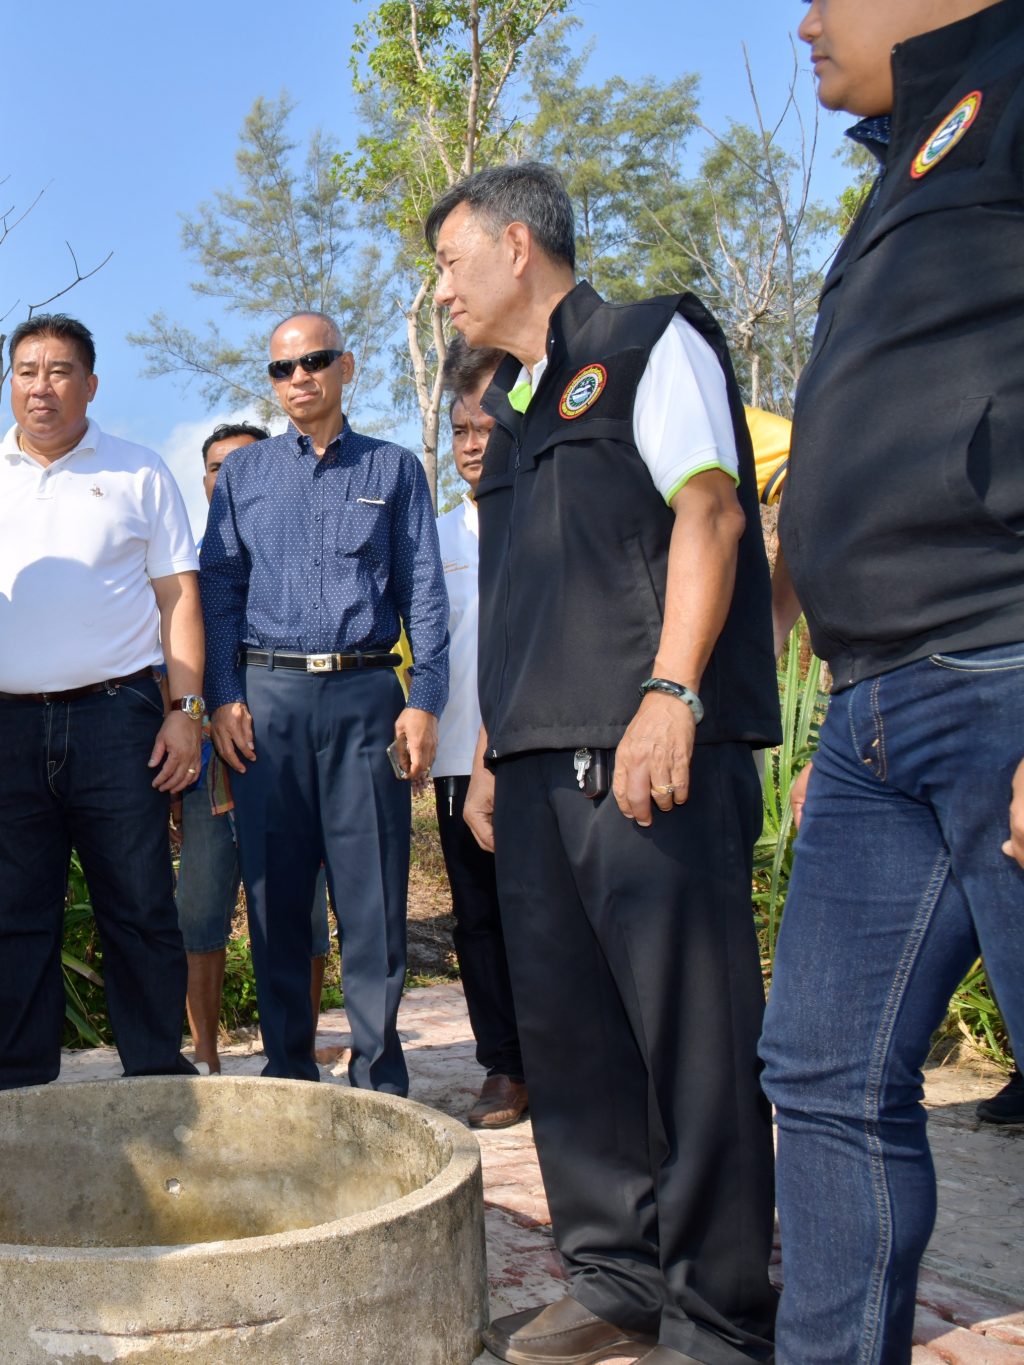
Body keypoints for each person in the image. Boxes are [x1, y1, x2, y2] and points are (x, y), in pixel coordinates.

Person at [430, 162, 779, 1365]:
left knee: (690, 1041)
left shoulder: (645, 343)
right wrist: (485, 755)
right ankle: (614, 1277)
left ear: (516, 246)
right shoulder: (510, 417)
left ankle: (720, 1310)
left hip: (644, 759)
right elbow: (523, 602)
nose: (440, 291)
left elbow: (710, 514)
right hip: (528, 775)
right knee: (571, 1046)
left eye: (447, 261)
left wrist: (672, 693)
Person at [762, 2, 1024, 1360]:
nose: (804, 20)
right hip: (877, 710)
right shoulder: (905, 152)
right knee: (821, 1081)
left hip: (1006, 670)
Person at [0, 313, 202, 1096]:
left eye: (58, 370)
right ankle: (16, 1080)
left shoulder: (141, 473)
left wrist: (187, 706)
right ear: (10, 380)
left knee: (140, 898)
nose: (39, 386)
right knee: (14, 910)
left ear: (91, 383)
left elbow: (179, 596)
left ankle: (155, 1069)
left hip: (118, 719)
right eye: (26, 370)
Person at [198, 311, 449, 1094]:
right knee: (273, 896)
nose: (299, 376)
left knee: (371, 895)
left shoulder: (395, 470)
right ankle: (287, 1074)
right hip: (267, 703)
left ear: (348, 366)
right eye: (282, 368)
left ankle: (380, 1076)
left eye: (315, 361)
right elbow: (220, 592)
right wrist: (224, 697)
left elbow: (427, 596)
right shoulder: (243, 477)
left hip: (366, 696)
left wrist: (426, 698)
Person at [175, 421, 335, 1073]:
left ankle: (295, 1048)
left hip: (292, 761)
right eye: (217, 466)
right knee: (200, 915)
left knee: (304, 914)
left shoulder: (299, 554)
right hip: (206, 770)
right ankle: (208, 1055)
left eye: (245, 463)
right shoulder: (179, 560)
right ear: (204, 477)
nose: (229, 476)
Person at [433, 336, 528, 1130]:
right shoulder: (433, 539)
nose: (471, 445)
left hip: (537, 749)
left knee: (548, 912)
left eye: (485, 429)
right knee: (478, 918)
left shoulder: (543, 513)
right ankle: (504, 1065)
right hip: (456, 760)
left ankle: (568, 1057)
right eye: (460, 432)